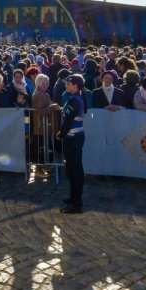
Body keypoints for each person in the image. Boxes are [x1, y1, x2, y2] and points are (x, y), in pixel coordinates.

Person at [56, 74, 88, 214]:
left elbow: (68, 119)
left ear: (76, 85)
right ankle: (74, 197)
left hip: (73, 137)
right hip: (74, 136)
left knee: (74, 170)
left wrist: (61, 133)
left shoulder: (75, 99)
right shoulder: (75, 97)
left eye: (69, 84)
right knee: (71, 169)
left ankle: (77, 202)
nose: (66, 86)